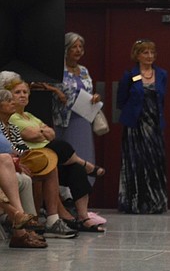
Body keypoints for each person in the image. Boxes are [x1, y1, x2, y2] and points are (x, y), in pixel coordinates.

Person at [5, 77, 104, 232]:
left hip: (47, 158)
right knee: (58, 147)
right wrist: (41, 132)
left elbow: (51, 133)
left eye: (25, 92)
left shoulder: (29, 115)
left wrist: (41, 132)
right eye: (17, 92)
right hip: (32, 158)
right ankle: (86, 166)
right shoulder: (11, 117)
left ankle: (83, 216)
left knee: (75, 170)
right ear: (8, 96)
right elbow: (32, 135)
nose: (22, 95)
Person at [0, 89, 78, 239]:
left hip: (14, 164)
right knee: (26, 177)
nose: (13, 103)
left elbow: (22, 150)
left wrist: (23, 160)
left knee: (49, 167)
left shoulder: (11, 127)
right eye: (8, 101)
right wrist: (17, 162)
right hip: (6, 166)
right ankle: (25, 222)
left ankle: (51, 220)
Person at [38, 33, 102, 183]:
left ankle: (84, 189)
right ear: (66, 49)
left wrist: (96, 96)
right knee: (68, 155)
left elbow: (88, 90)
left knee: (84, 153)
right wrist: (56, 90)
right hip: (64, 119)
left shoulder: (84, 70)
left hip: (83, 117)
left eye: (80, 47)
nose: (78, 50)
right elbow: (39, 85)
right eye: (74, 47)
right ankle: (66, 191)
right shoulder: (57, 70)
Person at [117, 38, 168, 214]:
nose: (149, 56)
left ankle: (156, 202)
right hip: (135, 126)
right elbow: (121, 101)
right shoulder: (130, 75)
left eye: (152, 52)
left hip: (154, 125)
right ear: (137, 55)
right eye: (145, 52)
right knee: (136, 162)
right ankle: (134, 202)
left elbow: (162, 99)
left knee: (155, 162)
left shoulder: (162, 74)